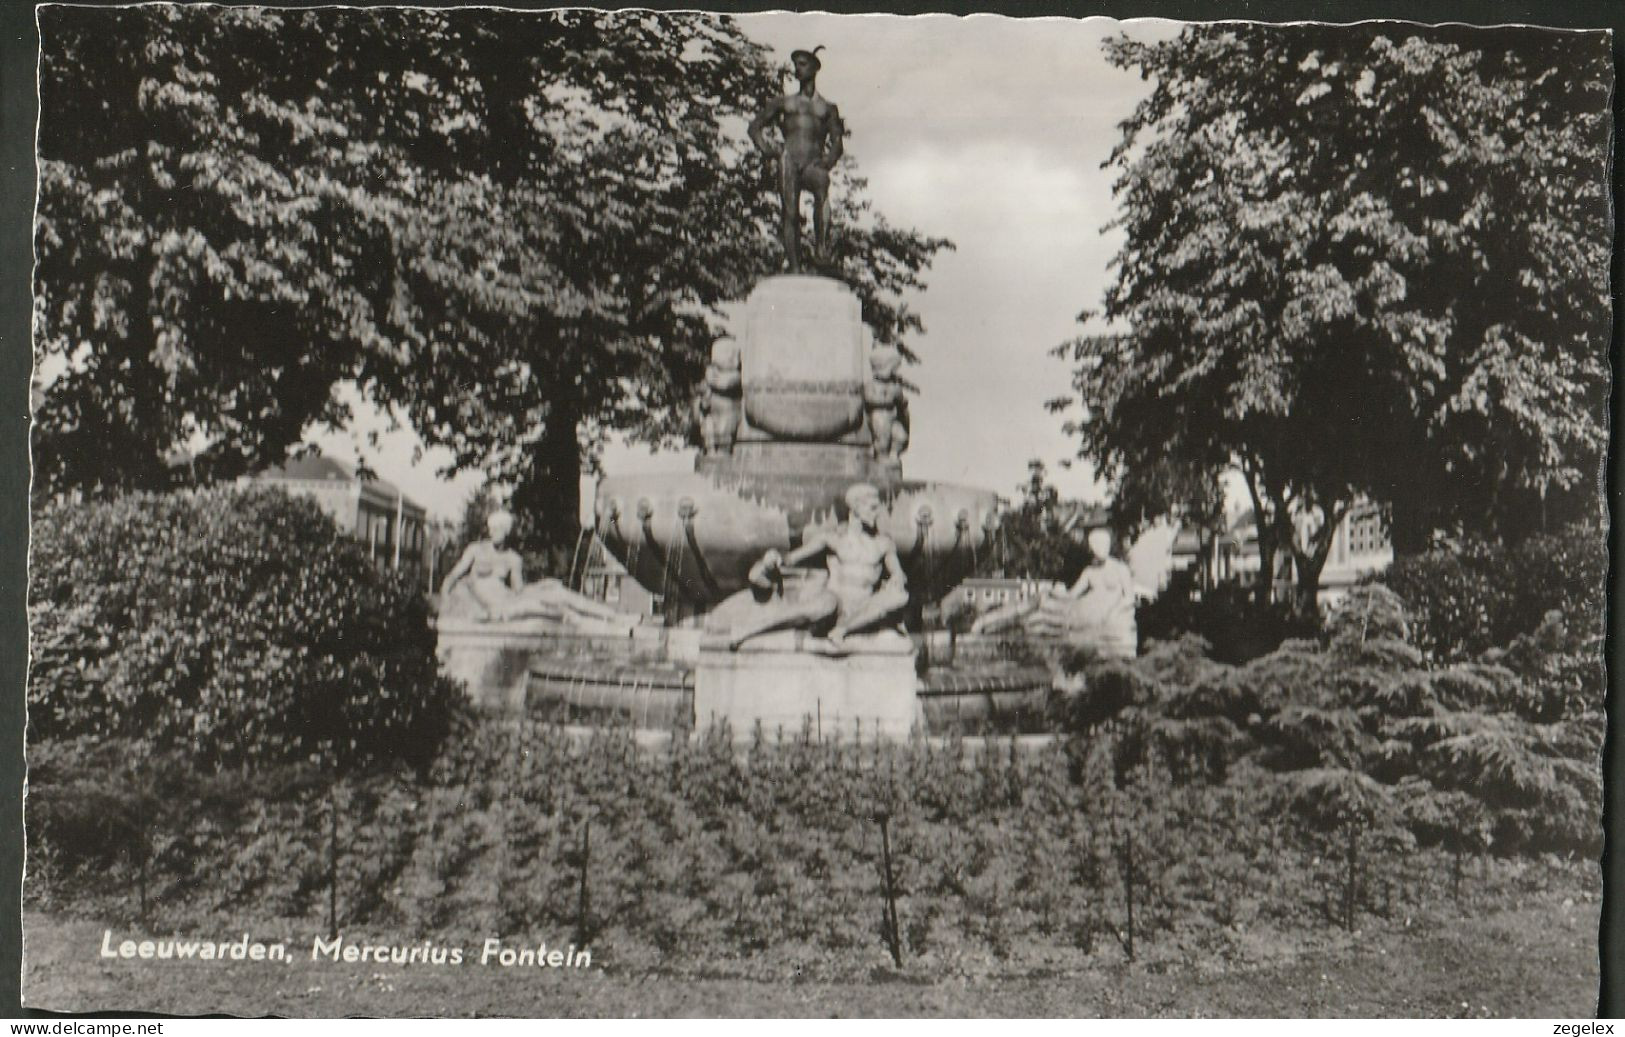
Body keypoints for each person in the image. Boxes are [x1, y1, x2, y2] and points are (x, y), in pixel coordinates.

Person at [721, 482, 908, 652]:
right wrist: (773, 559)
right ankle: (750, 628)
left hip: (864, 609)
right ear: (856, 509)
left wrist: (898, 578)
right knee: (826, 603)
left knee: (899, 597)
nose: (878, 513)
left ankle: (843, 630)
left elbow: (899, 574)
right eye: (872, 508)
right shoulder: (833, 539)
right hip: (835, 605)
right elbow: (792, 559)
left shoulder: (884, 544)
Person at [439, 510, 636, 631]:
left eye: (501, 529)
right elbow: (453, 576)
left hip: (510, 599)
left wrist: (543, 585)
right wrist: (445, 602)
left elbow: (519, 590)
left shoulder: (512, 558)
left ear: (507, 531)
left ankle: (613, 616)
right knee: (551, 608)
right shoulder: (476, 550)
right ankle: (596, 624)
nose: (496, 532)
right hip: (498, 609)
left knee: (557, 592)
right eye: (493, 528)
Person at [748, 47, 844, 272]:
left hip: (813, 163)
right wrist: (768, 149)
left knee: (822, 186)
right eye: (795, 64)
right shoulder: (785, 103)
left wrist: (828, 161)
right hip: (788, 160)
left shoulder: (827, 108)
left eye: (802, 64)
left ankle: (821, 248)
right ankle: (795, 266)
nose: (796, 69)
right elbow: (755, 127)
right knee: (789, 213)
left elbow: (837, 142)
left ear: (814, 68)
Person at [972, 527, 1136, 655]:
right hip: (1080, 611)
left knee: (1038, 614)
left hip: (1094, 616)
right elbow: (1072, 595)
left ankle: (990, 622)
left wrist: (1113, 613)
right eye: (1094, 547)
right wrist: (1057, 592)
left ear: (1107, 546)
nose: (1097, 550)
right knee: (1041, 600)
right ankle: (989, 621)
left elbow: (1129, 597)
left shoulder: (1120, 569)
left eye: (1100, 546)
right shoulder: (1090, 571)